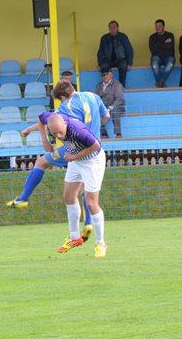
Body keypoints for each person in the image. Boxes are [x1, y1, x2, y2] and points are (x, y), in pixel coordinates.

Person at [6, 80, 108, 238]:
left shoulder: (67, 106)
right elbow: (106, 116)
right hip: (92, 146)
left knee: (41, 162)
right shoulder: (92, 96)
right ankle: (88, 223)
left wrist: (41, 137)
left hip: (75, 148)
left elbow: (56, 123)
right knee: (84, 187)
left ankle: (22, 198)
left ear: (62, 97)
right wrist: (92, 130)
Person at [40, 111, 108, 258]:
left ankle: (100, 243)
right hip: (75, 161)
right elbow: (40, 118)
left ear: (64, 124)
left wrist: (74, 156)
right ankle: (74, 237)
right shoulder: (51, 119)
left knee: (91, 203)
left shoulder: (78, 130)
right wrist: (45, 140)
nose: (58, 136)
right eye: (54, 134)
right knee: (69, 197)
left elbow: (96, 146)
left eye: (60, 132)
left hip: (92, 161)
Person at [96, 21, 134, 86]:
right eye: (111, 27)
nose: (112, 29)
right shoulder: (104, 38)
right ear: (109, 29)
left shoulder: (123, 37)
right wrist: (100, 64)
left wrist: (129, 63)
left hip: (121, 60)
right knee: (104, 66)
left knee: (123, 66)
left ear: (118, 28)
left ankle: (121, 86)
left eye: (114, 27)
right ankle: (107, 86)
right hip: (108, 60)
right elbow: (100, 52)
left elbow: (129, 49)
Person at [95, 69, 124, 138]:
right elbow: (96, 98)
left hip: (117, 106)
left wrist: (110, 107)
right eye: (103, 75)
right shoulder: (99, 86)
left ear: (111, 75)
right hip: (104, 107)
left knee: (115, 111)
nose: (105, 76)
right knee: (95, 112)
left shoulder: (117, 84)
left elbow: (119, 99)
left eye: (107, 74)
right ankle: (104, 134)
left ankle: (118, 134)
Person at [148, 19, 175, 87]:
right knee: (154, 63)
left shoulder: (170, 35)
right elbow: (153, 50)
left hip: (168, 57)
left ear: (164, 27)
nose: (157, 27)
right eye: (156, 26)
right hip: (157, 57)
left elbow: (170, 47)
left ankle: (160, 83)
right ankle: (162, 83)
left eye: (159, 26)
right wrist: (165, 44)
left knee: (171, 63)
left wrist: (157, 45)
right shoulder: (152, 37)